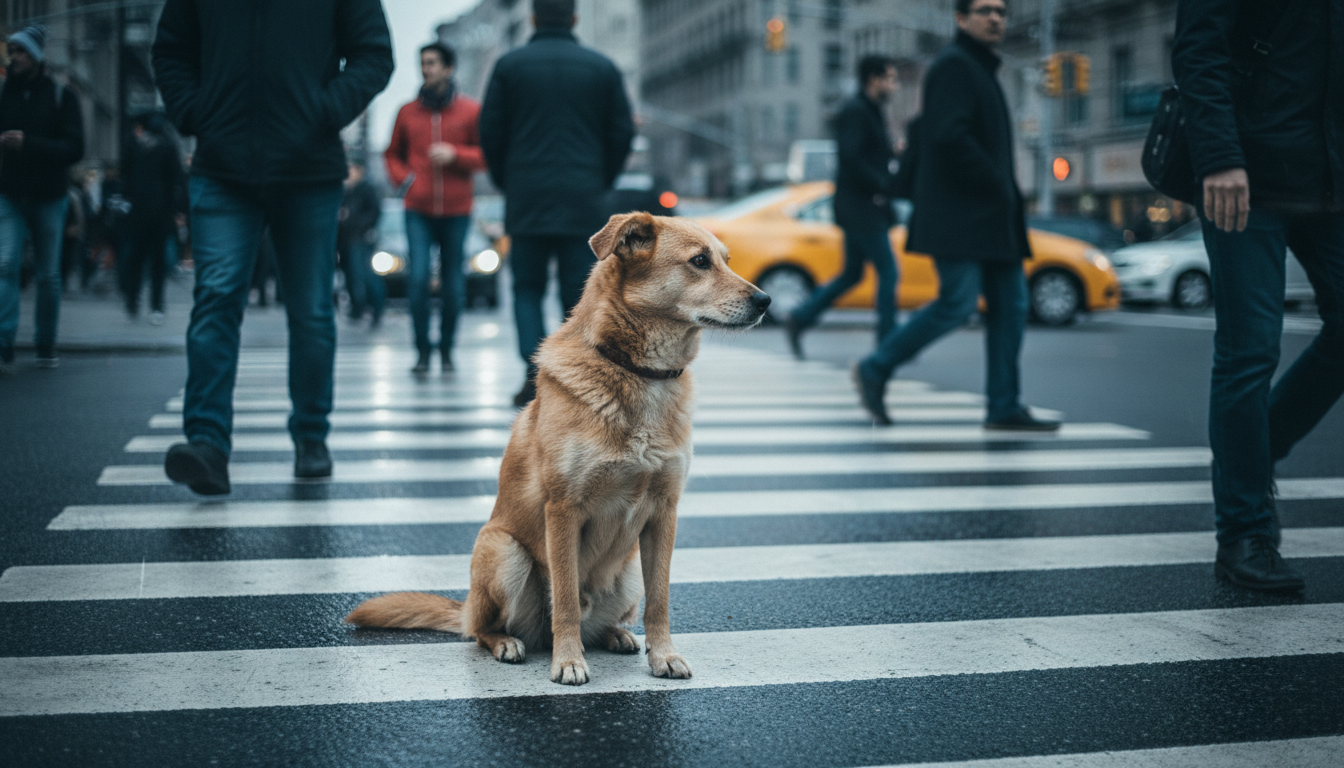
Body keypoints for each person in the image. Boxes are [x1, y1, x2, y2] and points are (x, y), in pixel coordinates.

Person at [152, 0, 393, 495]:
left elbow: (374, 55)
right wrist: (194, 112)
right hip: (222, 164)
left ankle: (311, 436)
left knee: (309, 310)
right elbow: (171, 50)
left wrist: (323, 110)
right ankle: (207, 445)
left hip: (308, 166)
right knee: (216, 296)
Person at [1173, 0, 1344, 592]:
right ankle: (1244, 535)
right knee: (1249, 350)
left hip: (1331, 173)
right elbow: (1199, 48)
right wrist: (1219, 155)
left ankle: (1256, 447)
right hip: (1247, 173)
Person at [851, 0, 1058, 433]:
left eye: (1001, 11)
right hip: (962, 214)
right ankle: (876, 366)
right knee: (958, 302)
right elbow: (948, 136)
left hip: (991, 215)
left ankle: (1004, 405)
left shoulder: (980, 67)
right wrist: (996, 182)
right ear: (961, 19)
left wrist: (1000, 191)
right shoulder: (954, 65)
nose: (996, 18)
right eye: (984, 10)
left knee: (1012, 305)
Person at [480, 0, 635, 406]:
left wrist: (505, 179)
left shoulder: (510, 66)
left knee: (527, 289)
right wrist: (602, 179)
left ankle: (535, 376)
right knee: (579, 293)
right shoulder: (600, 67)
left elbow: (491, 132)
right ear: (575, 18)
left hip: (526, 197)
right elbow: (622, 132)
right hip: (583, 198)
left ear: (532, 18)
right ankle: (576, 375)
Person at [786, 55, 900, 359]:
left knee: (852, 274)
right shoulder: (856, 111)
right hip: (862, 208)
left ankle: (801, 317)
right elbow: (852, 157)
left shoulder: (871, 110)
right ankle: (889, 344)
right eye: (890, 77)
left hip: (864, 207)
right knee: (888, 272)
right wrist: (882, 184)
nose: (895, 84)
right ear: (874, 79)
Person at [384, 42, 484, 374]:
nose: (426, 68)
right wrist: (405, 179)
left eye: (433, 63)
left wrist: (456, 154)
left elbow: (485, 156)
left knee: (454, 283)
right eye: (423, 62)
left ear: (449, 68)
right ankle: (422, 351)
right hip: (418, 208)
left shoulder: (470, 111)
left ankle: (446, 349)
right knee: (417, 278)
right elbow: (391, 154)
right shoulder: (407, 111)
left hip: (457, 209)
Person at [0, 25, 85, 372]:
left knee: (48, 275)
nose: (13, 58)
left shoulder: (62, 95)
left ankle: (45, 343)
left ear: (36, 57)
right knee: (6, 264)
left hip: (50, 197)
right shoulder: (4, 93)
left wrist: (28, 144)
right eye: (12, 51)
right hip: (9, 195)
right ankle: (4, 342)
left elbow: (75, 149)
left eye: (20, 52)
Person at [120, 113, 186, 325]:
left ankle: (134, 298)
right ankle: (155, 305)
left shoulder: (134, 145)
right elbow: (178, 179)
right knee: (156, 262)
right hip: (159, 212)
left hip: (141, 210)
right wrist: (177, 210)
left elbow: (125, 176)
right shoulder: (168, 145)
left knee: (137, 258)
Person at [337, 159, 384, 327]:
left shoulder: (367, 189)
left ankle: (375, 309)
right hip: (345, 239)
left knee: (364, 275)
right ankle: (357, 308)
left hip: (361, 239)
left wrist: (356, 223)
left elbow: (375, 213)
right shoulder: (346, 190)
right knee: (350, 275)